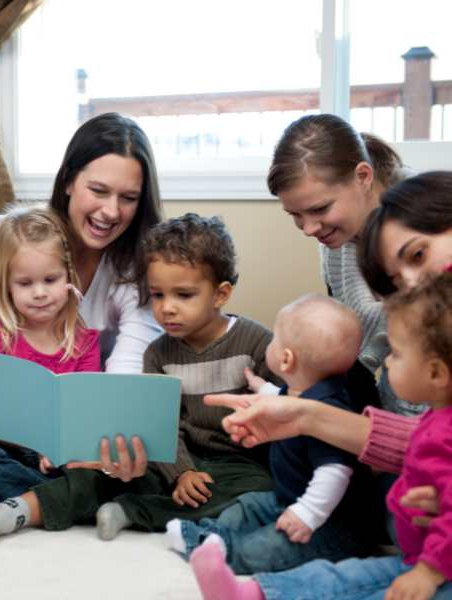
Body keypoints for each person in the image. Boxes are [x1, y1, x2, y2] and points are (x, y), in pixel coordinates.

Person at [0, 213, 276, 541]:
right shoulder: (157, 353)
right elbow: (162, 427)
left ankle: (131, 511)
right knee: (101, 473)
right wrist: (182, 472)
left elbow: (280, 406)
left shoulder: (255, 342)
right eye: (157, 295)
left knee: (259, 491)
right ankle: (10, 513)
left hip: (237, 463)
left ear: (220, 294)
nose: (167, 308)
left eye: (183, 295)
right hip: (173, 460)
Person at [0, 112, 164, 511]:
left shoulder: (135, 264)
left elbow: (126, 369)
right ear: (69, 180)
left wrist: (107, 442)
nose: (110, 211)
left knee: (138, 452)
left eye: (128, 198)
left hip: (77, 420)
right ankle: (63, 497)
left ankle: (29, 496)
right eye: (99, 190)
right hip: (4, 429)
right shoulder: (8, 233)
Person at [190, 274, 452, 600]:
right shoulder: (434, 421)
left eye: (396, 354)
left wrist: (429, 571)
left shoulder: (441, 437)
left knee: (355, 584)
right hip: (417, 553)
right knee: (346, 576)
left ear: (436, 373)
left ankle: (250, 578)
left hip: (425, 559)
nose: (385, 361)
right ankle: (253, 591)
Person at [166, 294, 374, 574]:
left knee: (266, 549)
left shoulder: (329, 408)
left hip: (332, 523)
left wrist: (307, 514)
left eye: (275, 338)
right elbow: (283, 401)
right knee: (247, 505)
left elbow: (335, 472)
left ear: (286, 359)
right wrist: (261, 388)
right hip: (286, 497)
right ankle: (208, 536)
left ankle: (223, 555)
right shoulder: (303, 389)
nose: (270, 342)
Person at [0, 204, 100, 509]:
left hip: (52, 454)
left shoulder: (84, 342)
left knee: (88, 465)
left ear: (68, 277)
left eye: (50, 280)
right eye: (25, 283)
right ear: (6, 285)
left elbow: (84, 412)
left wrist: (61, 448)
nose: (40, 293)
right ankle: (60, 499)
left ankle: (14, 496)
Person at [268, 113, 420, 417]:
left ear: (363, 176)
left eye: (319, 208)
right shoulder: (337, 241)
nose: (309, 229)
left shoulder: (427, 230)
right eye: (295, 215)